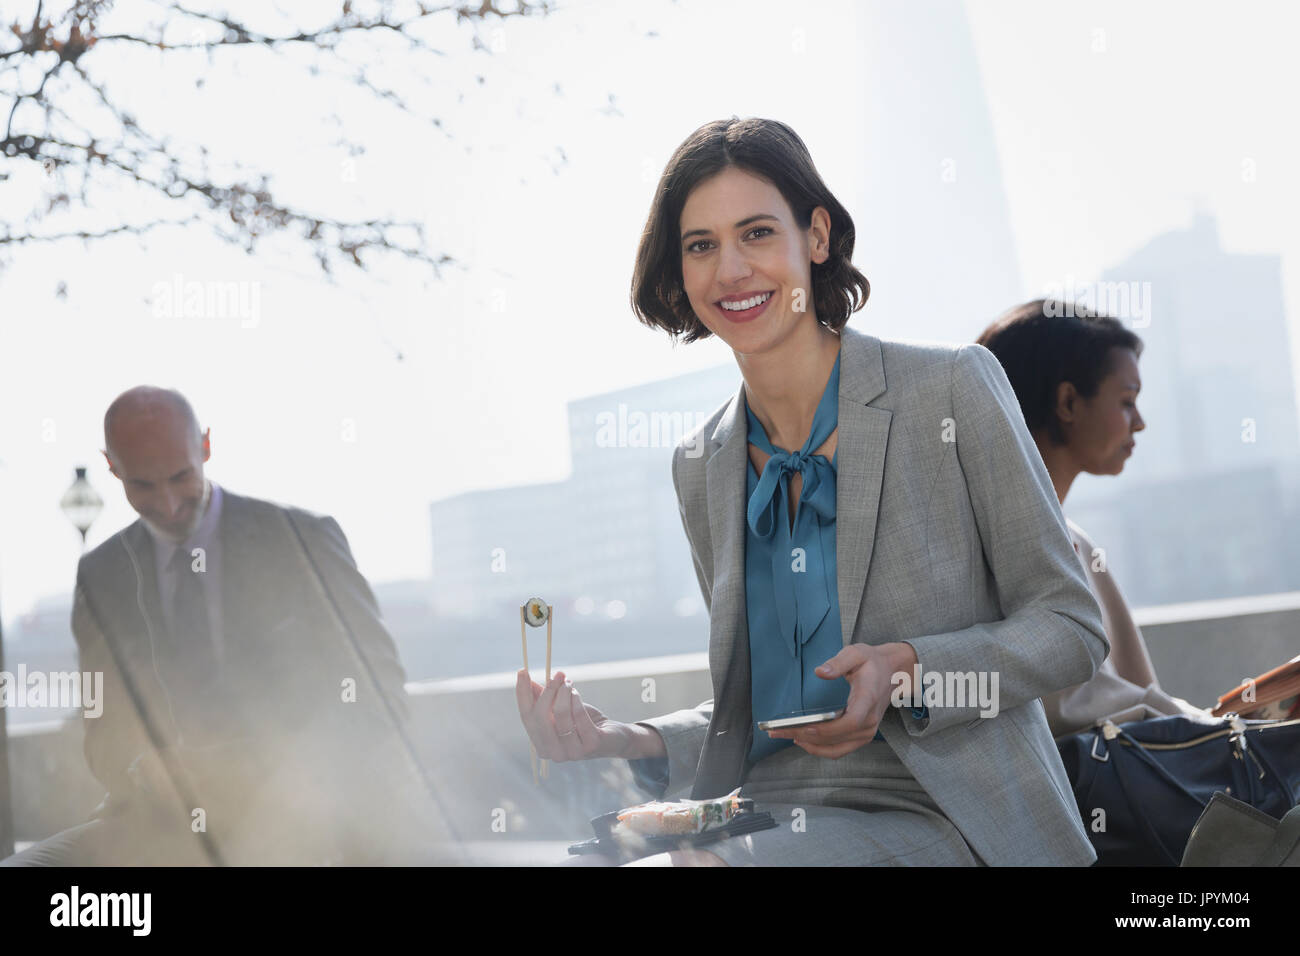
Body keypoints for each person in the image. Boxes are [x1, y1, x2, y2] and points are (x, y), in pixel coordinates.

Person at [516, 117, 1109, 867]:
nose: (730, 269)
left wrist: (908, 669)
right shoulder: (701, 463)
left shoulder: (950, 388)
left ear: (817, 236)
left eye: (757, 233)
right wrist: (625, 738)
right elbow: (754, 710)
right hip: (769, 810)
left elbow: (1071, 625)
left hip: (953, 814)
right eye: (701, 245)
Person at [1, 386, 441, 866]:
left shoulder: (301, 540)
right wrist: (142, 772)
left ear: (206, 447)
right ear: (112, 469)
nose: (167, 505)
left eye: (180, 477)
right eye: (142, 486)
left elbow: (379, 695)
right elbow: (101, 729)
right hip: (161, 819)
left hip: (305, 807)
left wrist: (288, 780)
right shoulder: (102, 574)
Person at [976, 301, 1206, 737]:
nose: (1138, 422)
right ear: (1067, 401)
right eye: (1126, 401)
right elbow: (1074, 704)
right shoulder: (1007, 538)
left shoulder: (1075, 539)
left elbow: (1140, 697)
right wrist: (1224, 731)